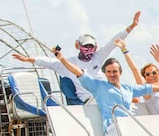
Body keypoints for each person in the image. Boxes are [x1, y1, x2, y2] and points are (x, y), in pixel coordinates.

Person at [47, 49, 159, 136]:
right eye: (109, 72)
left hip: (129, 126)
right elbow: (78, 72)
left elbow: (154, 87)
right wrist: (62, 59)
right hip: (113, 129)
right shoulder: (98, 86)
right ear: (105, 73)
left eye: (115, 71)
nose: (112, 74)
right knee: (139, 134)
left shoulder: (128, 89)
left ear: (120, 72)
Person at [12, 11, 141, 103]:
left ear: (95, 48)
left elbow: (113, 42)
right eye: (85, 46)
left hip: (105, 93)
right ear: (78, 46)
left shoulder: (98, 56)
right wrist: (27, 59)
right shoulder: (69, 63)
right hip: (89, 100)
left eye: (91, 47)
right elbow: (48, 62)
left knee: (133, 98)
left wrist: (131, 26)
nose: (88, 50)